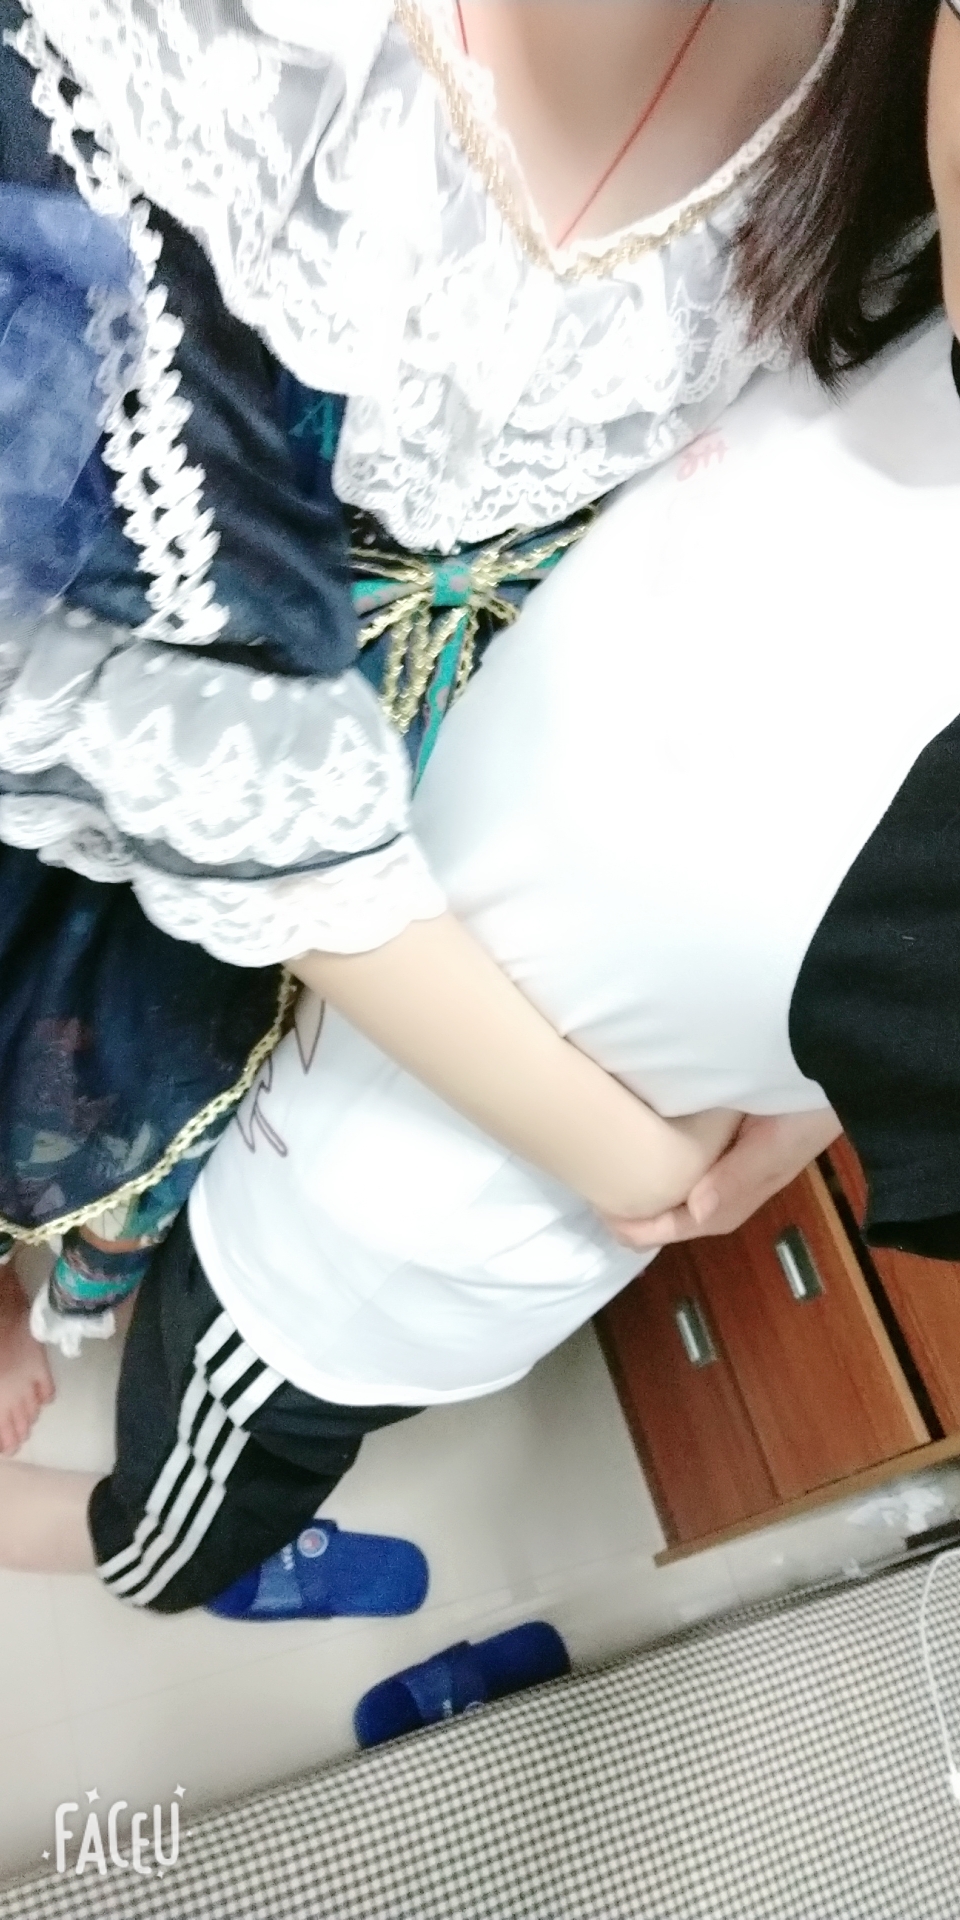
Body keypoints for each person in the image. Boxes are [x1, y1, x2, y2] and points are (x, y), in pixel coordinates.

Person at [2, 0, 959, 1614]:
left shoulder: (887, 119)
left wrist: (792, 1108)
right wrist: (640, 1160)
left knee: (156, 1177)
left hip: (398, 922)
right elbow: (178, 742)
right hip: (144, 802)